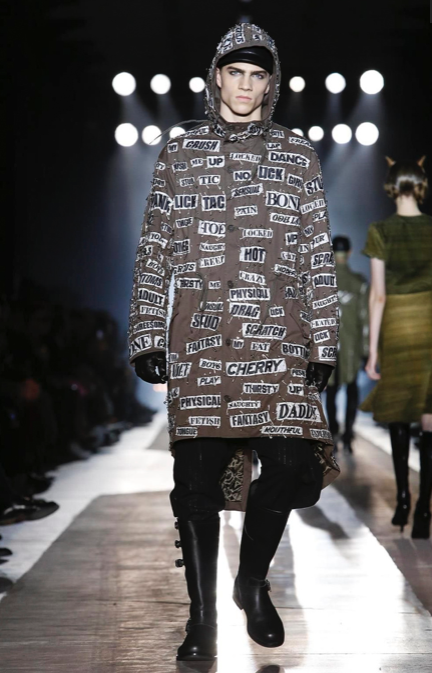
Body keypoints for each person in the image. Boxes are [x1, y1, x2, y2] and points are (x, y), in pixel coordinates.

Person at [129, 23, 340, 661]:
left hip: (279, 337)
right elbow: (155, 247)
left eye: (258, 74)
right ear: (216, 77)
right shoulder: (180, 152)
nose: (246, 85)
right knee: (194, 481)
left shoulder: (297, 154)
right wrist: (146, 333)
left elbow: (316, 253)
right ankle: (202, 622)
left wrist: (324, 341)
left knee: (290, 463)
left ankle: (251, 581)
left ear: (270, 83)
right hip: (200, 337)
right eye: (236, 72)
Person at [362, 156, 432, 539]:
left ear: (391, 186)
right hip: (429, 327)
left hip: (397, 329)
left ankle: (403, 497)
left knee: (399, 416)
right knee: (429, 417)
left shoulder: (381, 230)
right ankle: (424, 509)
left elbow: (378, 295)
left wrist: (373, 350)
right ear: (421, 185)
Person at [326, 236, 368, 453]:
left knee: (331, 390)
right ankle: (348, 433)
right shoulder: (359, 283)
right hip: (352, 346)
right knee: (352, 388)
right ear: (350, 253)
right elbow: (365, 319)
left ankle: (333, 431)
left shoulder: (324, 283)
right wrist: (367, 351)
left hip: (330, 346)